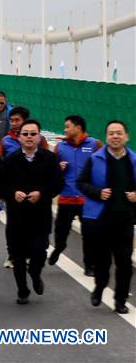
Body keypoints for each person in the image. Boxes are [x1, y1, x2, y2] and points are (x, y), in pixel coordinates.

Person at [0, 118, 63, 305]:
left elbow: (58, 183)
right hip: (17, 217)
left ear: (39, 137)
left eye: (33, 134)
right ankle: (22, 290)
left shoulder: (49, 159)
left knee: (39, 252)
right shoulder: (10, 160)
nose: (29, 137)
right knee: (17, 254)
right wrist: (12, 193)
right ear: (19, 137)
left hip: (40, 216)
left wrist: (41, 193)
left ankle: (35, 273)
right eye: (25, 134)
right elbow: (0, 185)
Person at [77, 120, 135, 314]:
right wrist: (97, 192)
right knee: (103, 262)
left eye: (119, 133)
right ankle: (100, 287)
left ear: (126, 136)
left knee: (124, 263)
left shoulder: (133, 160)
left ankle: (120, 300)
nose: (115, 136)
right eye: (111, 133)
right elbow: (81, 182)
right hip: (101, 220)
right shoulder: (95, 159)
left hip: (125, 220)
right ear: (106, 137)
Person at [49, 115, 100, 272]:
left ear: (78, 128)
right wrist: (58, 168)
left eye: (67, 126)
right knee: (60, 232)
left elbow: (103, 166)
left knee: (90, 235)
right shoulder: (60, 147)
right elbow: (52, 171)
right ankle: (59, 248)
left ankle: (89, 265)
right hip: (66, 198)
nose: (65, 130)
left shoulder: (95, 144)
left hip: (87, 200)